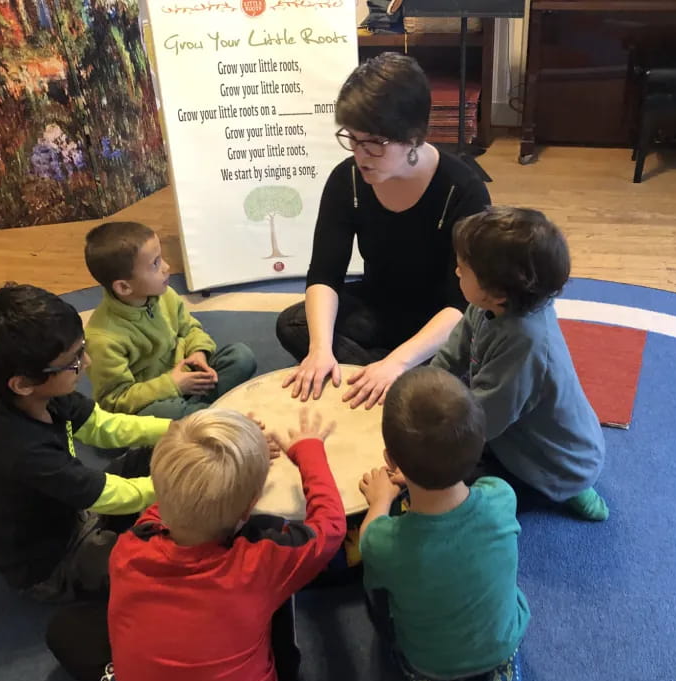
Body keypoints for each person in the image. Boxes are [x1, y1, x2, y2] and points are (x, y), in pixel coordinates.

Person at [102, 408, 347, 681]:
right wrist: (308, 449)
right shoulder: (258, 566)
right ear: (249, 506)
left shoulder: (126, 551)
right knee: (269, 536)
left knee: (67, 631)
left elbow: (167, 504)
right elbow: (331, 528)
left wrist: (225, 464)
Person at [277, 52, 490, 410]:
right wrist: (319, 351)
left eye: (374, 142)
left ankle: (385, 371)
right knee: (295, 324)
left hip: (441, 321)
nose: (361, 154)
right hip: (379, 306)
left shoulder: (463, 190)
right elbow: (325, 274)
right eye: (353, 139)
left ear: (413, 137)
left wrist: (398, 362)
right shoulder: (347, 179)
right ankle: (387, 377)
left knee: (465, 360)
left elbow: (463, 303)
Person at [0, 284, 170, 602]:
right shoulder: (22, 450)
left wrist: (180, 429)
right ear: (23, 384)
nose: (86, 363)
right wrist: (185, 486)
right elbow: (104, 495)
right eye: (73, 360)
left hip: (73, 510)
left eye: (82, 348)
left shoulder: (48, 396)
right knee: (164, 564)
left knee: (161, 453)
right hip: (52, 561)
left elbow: (108, 428)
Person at [358, 366, 530, 681]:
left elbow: (368, 539)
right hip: (502, 636)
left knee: (375, 596)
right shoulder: (501, 496)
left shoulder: (383, 541)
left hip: (428, 658)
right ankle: (503, 667)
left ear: (391, 460)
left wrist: (380, 501)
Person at [431, 206, 609, 520]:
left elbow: (482, 423)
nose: (456, 271)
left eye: (462, 268)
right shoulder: (487, 304)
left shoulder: (526, 344)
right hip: (515, 430)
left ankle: (568, 489)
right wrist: (423, 391)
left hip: (554, 463)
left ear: (496, 292)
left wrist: (425, 449)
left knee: (447, 491)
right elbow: (453, 353)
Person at [83, 221, 256, 419]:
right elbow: (113, 401)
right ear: (124, 287)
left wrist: (198, 352)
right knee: (164, 412)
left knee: (241, 356)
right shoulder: (103, 339)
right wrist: (172, 385)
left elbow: (190, 329)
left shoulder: (164, 294)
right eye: (155, 264)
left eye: (161, 258)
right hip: (155, 401)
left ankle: (199, 417)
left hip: (186, 380)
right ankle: (206, 419)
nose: (167, 267)